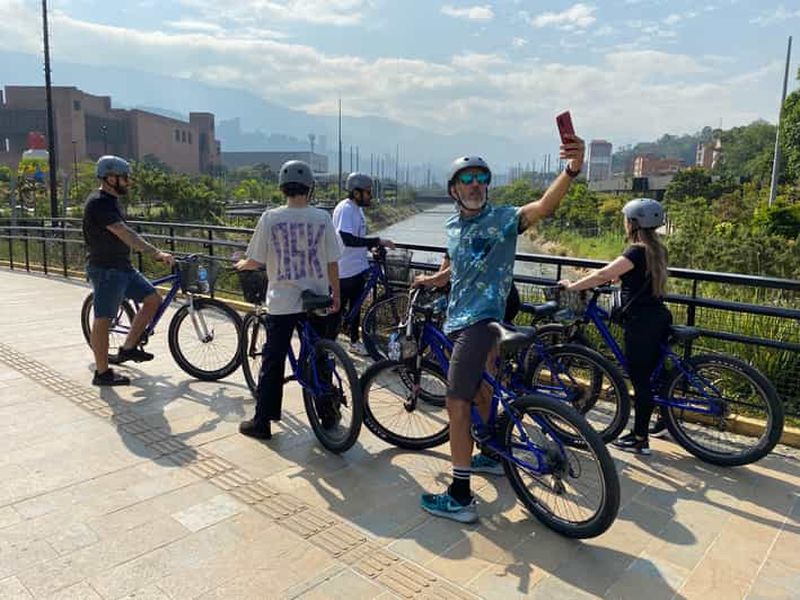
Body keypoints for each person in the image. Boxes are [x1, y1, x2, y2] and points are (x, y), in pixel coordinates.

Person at [418, 135, 585, 523]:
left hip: (481, 322)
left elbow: (545, 206)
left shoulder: (503, 219)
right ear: (454, 190)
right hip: (458, 319)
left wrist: (571, 169)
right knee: (481, 391)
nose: (475, 184)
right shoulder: (451, 226)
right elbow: (456, 270)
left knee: (455, 404)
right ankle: (491, 454)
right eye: (467, 179)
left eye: (481, 177)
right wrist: (432, 281)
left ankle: (459, 496)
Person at [235, 160, 343, 440]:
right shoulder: (322, 217)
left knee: (273, 361)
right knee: (319, 356)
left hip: (281, 302)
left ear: (283, 187)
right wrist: (336, 295)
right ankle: (328, 412)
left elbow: (256, 260)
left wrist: (241, 264)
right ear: (310, 187)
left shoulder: (270, 218)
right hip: (316, 299)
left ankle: (262, 422)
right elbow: (333, 262)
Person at [559, 198, 671, 456]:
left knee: (640, 379)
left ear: (633, 223)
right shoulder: (657, 250)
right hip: (658, 317)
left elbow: (602, 276)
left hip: (641, 322)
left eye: (626, 219)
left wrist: (572, 287)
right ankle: (666, 419)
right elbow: (617, 273)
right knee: (656, 372)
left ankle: (640, 439)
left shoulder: (635, 251)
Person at [82, 155, 174, 387]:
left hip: (123, 267)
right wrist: (155, 253)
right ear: (110, 178)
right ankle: (102, 373)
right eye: (124, 178)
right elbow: (124, 233)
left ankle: (129, 347)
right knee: (104, 319)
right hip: (106, 270)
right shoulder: (99, 203)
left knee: (153, 299)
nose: (128, 182)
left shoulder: (111, 201)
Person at [330, 172, 395, 355]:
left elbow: (357, 238)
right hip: (344, 270)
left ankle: (353, 341)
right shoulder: (346, 209)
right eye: (368, 192)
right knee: (337, 311)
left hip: (358, 267)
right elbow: (347, 238)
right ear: (356, 192)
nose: (370, 196)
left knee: (356, 307)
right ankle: (328, 346)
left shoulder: (357, 209)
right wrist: (377, 241)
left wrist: (369, 249)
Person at [413, 251, 521, 323]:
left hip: (498, 304)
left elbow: (442, 278)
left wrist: (427, 279)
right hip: (492, 301)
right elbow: (441, 277)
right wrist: (432, 281)